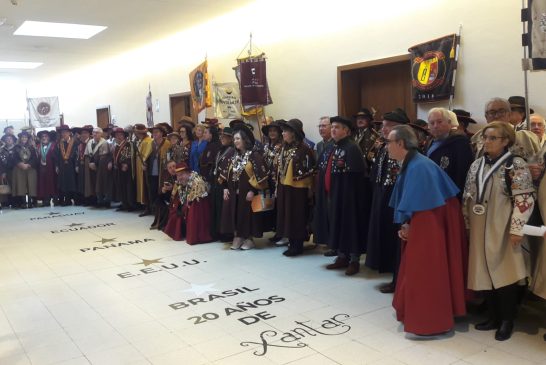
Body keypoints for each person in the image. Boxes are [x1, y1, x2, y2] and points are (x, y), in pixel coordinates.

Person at [387, 124, 467, 336]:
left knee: (425, 267)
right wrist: (406, 222)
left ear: (401, 143)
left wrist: (409, 225)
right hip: (428, 216)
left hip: (430, 220)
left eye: (389, 142)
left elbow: (423, 204)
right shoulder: (412, 162)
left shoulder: (419, 166)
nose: (386, 146)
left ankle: (429, 320)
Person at [463, 121, 535, 341]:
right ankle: (493, 316)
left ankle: (507, 320)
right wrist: (467, 223)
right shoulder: (477, 164)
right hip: (478, 226)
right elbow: (467, 195)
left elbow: (524, 199)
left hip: (502, 226)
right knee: (483, 271)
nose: (487, 141)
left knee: (505, 275)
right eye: (485, 137)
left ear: (506, 141)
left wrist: (516, 229)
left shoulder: (516, 165)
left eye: (493, 138)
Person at [365, 109, 406, 291]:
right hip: (381, 193)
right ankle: (389, 272)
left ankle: (398, 278)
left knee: (395, 238)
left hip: (395, 196)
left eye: (388, 125)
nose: (383, 129)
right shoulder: (383, 146)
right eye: (383, 125)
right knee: (383, 233)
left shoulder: (405, 149)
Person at [324, 116, 370, 276]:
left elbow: (357, 175)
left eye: (337, 127)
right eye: (332, 127)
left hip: (350, 196)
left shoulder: (352, 147)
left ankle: (354, 260)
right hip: (337, 194)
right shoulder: (335, 146)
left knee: (351, 226)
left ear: (346, 130)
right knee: (339, 224)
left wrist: (348, 196)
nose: (333, 130)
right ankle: (342, 256)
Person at [219, 126, 269, 250]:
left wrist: (253, 190)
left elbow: (260, 177)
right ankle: (238, 236)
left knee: (247, 216)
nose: (235, 141)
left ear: (244, 140)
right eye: (234, 139)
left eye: (238, 139)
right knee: (236, 214)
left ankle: (249, 238)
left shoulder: (254, 155)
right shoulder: (232, 155)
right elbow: (225, 174)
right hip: (234, 192)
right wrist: (225, 188)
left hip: (248, 193)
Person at [276, 119, 316, 256]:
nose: (283, 133)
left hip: (298, 188)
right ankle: (291, 241)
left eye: (285, 131)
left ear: (293, 133)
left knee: (297, 216)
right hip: (285, 187)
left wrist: (310, 189)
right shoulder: (284, 148)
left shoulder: (304, 150)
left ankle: (297, 245)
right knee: (287, 215)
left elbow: (311, 169)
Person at [471, 97, 539, 160]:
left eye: (501, 112)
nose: (497, 116)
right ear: (486, 117)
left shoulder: (525, 137)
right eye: (492, 113)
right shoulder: (478, 137)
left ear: (509, 115)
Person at [425, 107, 473, 195]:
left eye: (439, 122)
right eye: (432, 123)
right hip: (431, 191)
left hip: (449, 194)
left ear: (449, 122)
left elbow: (462, 173)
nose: (435, 126)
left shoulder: (460, 142)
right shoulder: (429, 142)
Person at [163, 162, 212, 244]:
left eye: (182, 174)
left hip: (198, 210)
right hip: (186, 206)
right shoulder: (179, 182)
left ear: (189, 173)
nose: (179, 178)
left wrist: (184, 209)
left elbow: (195, 201)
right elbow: (175, 199)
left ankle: (195, 235)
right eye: (178, 175)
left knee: (193, 209)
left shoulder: (197, 182)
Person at [210, 127, 236, 241]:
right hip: (217, 182)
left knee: (224, 209)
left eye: (225, 136)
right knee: (217, 207)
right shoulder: (221, 150)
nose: (222, 138)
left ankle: (226, 233)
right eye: (221, 136)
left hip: (225, 183)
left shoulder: (232, 151)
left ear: (231, 139)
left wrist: (224, 183)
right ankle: (217, 231)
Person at [145, 124, 171, 215]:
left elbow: (169, 158)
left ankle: (162, 210)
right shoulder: (151, 143)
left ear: (161, 133)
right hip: (152, 172)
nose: (154, 134)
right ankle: (154, 209)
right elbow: (146, 156)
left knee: (161, 191)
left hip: (163, 173)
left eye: (157, 132)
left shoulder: (167, 143)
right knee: (152, 190)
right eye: (153, 132)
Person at [85, 128, 113, 208]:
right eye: (93, 132)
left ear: (101, 134)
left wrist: (95, 164)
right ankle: (99, 201)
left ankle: (107, 202)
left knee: (103, 184)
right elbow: (87, 155)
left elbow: (104, 156)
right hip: (91, 167)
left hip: (102, 167)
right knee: (94, 184)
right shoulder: (90, 142)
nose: (94, 134)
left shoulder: (104, 143)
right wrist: (90, 163)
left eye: (97, 133)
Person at [11, 131, 38, 208]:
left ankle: (30, 202)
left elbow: (35, 158)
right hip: (19, 168)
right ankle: (23, 202)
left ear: (28, 138)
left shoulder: (32, 147)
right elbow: (14, 158)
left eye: (25, 137)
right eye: (22, 137)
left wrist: (29, 164)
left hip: (30, 169)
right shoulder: (16, 147)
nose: (24, 138)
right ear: (20, 138)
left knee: (31, 185)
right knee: (21, 185)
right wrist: (20, 164)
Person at [112, 127, 136, 211]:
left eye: (120, 135)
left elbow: (130, 155)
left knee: (128, 187)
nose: (118, 136)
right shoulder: (116, 146)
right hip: (118, 169)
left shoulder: (128, 144)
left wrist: (126, 163)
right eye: (117, 135)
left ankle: (130, 204)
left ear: (124, 136)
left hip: (126, 170)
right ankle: (124, 203)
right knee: (120, 187)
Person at [55, 125, 78, 206]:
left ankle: (71, 199)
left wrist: (76, 165)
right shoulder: (59, 143)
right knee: (63, 183)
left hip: (71, 166)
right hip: (62, 166)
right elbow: (57, 155)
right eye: (62, 132)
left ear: (69, 133)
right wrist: (57, 165)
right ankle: (64, 199)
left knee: (71, 182)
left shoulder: (74, 142)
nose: (64, 134)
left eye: (65, 132)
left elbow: (76, 154)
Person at [151, 160, 177, 230]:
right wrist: (163, 190)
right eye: (170, 168)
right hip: (168, 196)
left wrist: (173, 188)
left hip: (177, 198)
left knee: (165, 204)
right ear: (167, 170)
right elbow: (160, 188)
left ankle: (162, 224)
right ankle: (158, 222)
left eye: (174, 166)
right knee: (158, 200)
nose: (172, 169)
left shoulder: (179, 174)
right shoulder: (165, 175)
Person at [133, 124, 153, 216]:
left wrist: (144, 162)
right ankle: (144, 205)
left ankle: (148, 206)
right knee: (142, 185)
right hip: (139, 166)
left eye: (136, 132)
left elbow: (146, 154)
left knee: (145, 186)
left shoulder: (148, 141)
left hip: (144, 167)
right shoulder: (142, 141)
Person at [36, 130, 57, 207]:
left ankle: (55, 199)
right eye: (42, 137)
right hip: (41, 169)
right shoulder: (38, 146)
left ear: (49, 137)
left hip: (51, 168)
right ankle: (46, 199)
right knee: (43, 184)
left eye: (46, 136)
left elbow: (56, 156)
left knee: (53, 183)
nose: (44, 138)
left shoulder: (53, 145)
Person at [73, 125, 93, 206]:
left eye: (85, 133)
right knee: (82, 183)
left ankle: (90, 200)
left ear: (89, 134)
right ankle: (84, 199)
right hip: (81, 166)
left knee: (89, 183)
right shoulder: (80, 145)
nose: (83, 135)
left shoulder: (91, 143)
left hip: (89, 166)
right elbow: (77, 156)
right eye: (82, 133)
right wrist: (77, 165)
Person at [0, 134, 17, 207]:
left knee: (15, 186)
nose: (9, 140)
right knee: (7, 186)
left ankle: (16, 202)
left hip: (16, 170)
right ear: (4, 141)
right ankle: (7, 202)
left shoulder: (16, 148)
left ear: (13, 140)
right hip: (5, 170)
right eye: (7, 139)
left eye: (10, 139)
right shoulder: (1, 150)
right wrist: (3, 172)